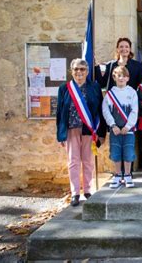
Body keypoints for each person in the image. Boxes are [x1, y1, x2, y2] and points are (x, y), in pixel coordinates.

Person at [56, 59, 106, 206]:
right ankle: (75, 193)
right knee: (73, 161)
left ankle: (88, 190)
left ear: (87, 71)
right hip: (71, 129)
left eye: (82, 69)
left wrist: (102, 133)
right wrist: (60, 134)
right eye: (76, 69)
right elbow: (59, 112)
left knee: (88, 161)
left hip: (89, 130)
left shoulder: (94, 87)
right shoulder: (64, 88)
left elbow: (100, 110)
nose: (79, 72)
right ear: (71, 71)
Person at [102, 66, 139, 188]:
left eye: (124, 76)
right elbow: (105, 110)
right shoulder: (110, 94)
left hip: (129, 130)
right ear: (114, 78)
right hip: (115, 130)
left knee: (128, 152)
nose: (121, 78)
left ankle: (128, 175)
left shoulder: (132, 92)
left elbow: (134, 110)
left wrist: (128, 126)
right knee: (116, 152)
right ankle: (118, 175)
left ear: (128, 78)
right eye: (118, 76)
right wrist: (112, 125)